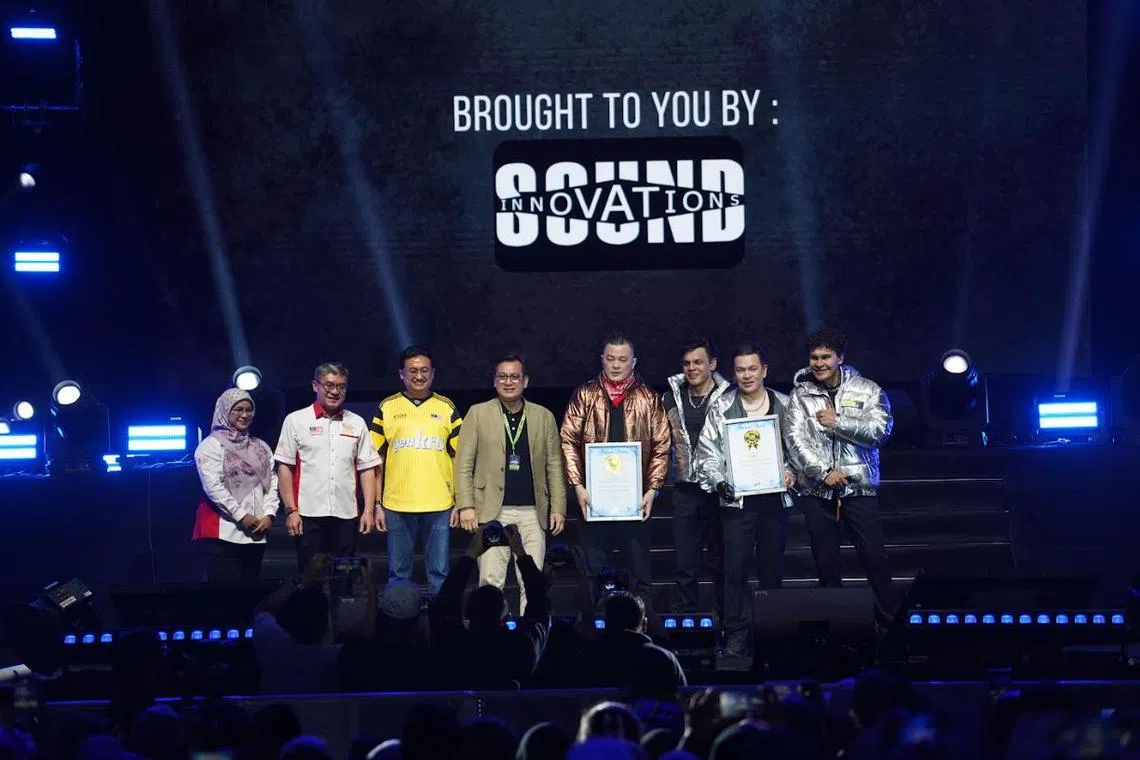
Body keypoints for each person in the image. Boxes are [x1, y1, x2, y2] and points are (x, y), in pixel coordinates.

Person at [784, 327, 896, 620]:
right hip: (817, 491)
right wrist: (823, 472)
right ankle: (836, 626)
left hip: (858, 488)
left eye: (826, 357)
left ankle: (889, 624)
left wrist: (838, 422)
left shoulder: (868, 390)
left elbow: (880, 432)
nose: (819, 363)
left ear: (840, 358)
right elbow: (794, 440)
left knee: (874, 558)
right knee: (826, 563)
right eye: (814, 357)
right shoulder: (800, 395)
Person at [696, 343, 796, 658]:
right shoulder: (721, 407)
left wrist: (792, 473)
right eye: (740, 370)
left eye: (753, 368)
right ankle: (736, 633)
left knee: (771, 570)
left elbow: (800, 449)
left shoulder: (785, 405)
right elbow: (707, 454)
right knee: (734, 572)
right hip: (736, 504)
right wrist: (719, 482)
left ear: (764, 370)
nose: (747, 375)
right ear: (734, 373)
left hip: (774, 502)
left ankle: (771, 631)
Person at [560, 333, 671, 604]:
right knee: (594, 572)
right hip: (593, 500)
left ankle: (642, 624)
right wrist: (578, 486)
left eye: (622, 359)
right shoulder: (585, 395)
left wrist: (653, 489)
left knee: (639, 574)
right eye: (610, 359)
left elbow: (662, 446)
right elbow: (568, 440)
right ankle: (594, 624)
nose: (616, 365)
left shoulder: (648, 398)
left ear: (634, 362)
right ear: (602, 359)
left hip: (635, 501)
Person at [454, 353, 567, 613]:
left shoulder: (544, 416)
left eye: (514, 377)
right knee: (490, 582)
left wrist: (559, 507)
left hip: (533, 513)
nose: (508, 382)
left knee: (533, 584)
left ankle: (532, 633)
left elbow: (554, 465)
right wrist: (466, 506)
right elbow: (463, 464)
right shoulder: (478, 413)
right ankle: (489, 633)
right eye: (502, 377)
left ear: (525, 381)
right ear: (494, 381)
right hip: (492, 512)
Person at [369, 346, 463, 594]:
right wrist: (377, 504)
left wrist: (459, 501)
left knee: (439, 573)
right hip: (397, 505)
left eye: (424, 370)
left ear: (433, 373)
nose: (419, 376)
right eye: (412, 371)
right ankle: (398, 617)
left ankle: (440, 617)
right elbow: (375, 461)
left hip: (439, 504)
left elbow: (460, 459)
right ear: (401, 374)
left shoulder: (447, 408)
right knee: (398, 574)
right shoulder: (387, 407)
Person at [274, 363, 381, 574]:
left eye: (341, 386)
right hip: (308, 514)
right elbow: (285, 467)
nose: (335, 391)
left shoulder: (357, 422)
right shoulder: (295, 420)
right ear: (316, 386)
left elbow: (367, 469)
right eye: (329, 385)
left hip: (346, 515)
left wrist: (368, 511)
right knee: (310, 579)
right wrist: (291, 511)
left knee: (344, 579)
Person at [662, 338, 731, 617]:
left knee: (720, 560)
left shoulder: (729, 397)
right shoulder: (670, 397)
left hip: (718, 490)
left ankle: (725, 620)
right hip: (684, 490)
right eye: (687, 363)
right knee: (685, 562)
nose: (692, 368)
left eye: (698, 362)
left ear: (712, 364)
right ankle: (684, 620)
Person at [192, 388, 279, 582]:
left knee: (249, 593)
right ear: (225, 411)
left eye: (249, 410)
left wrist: (269, 514)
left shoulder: (261, 447)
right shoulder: (211, 446)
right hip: (221, 533)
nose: (245, 415)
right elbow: (213, 487)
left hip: (256, 532)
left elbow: (272, 482)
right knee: (223, 595)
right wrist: (242, 516)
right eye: (238, 410)